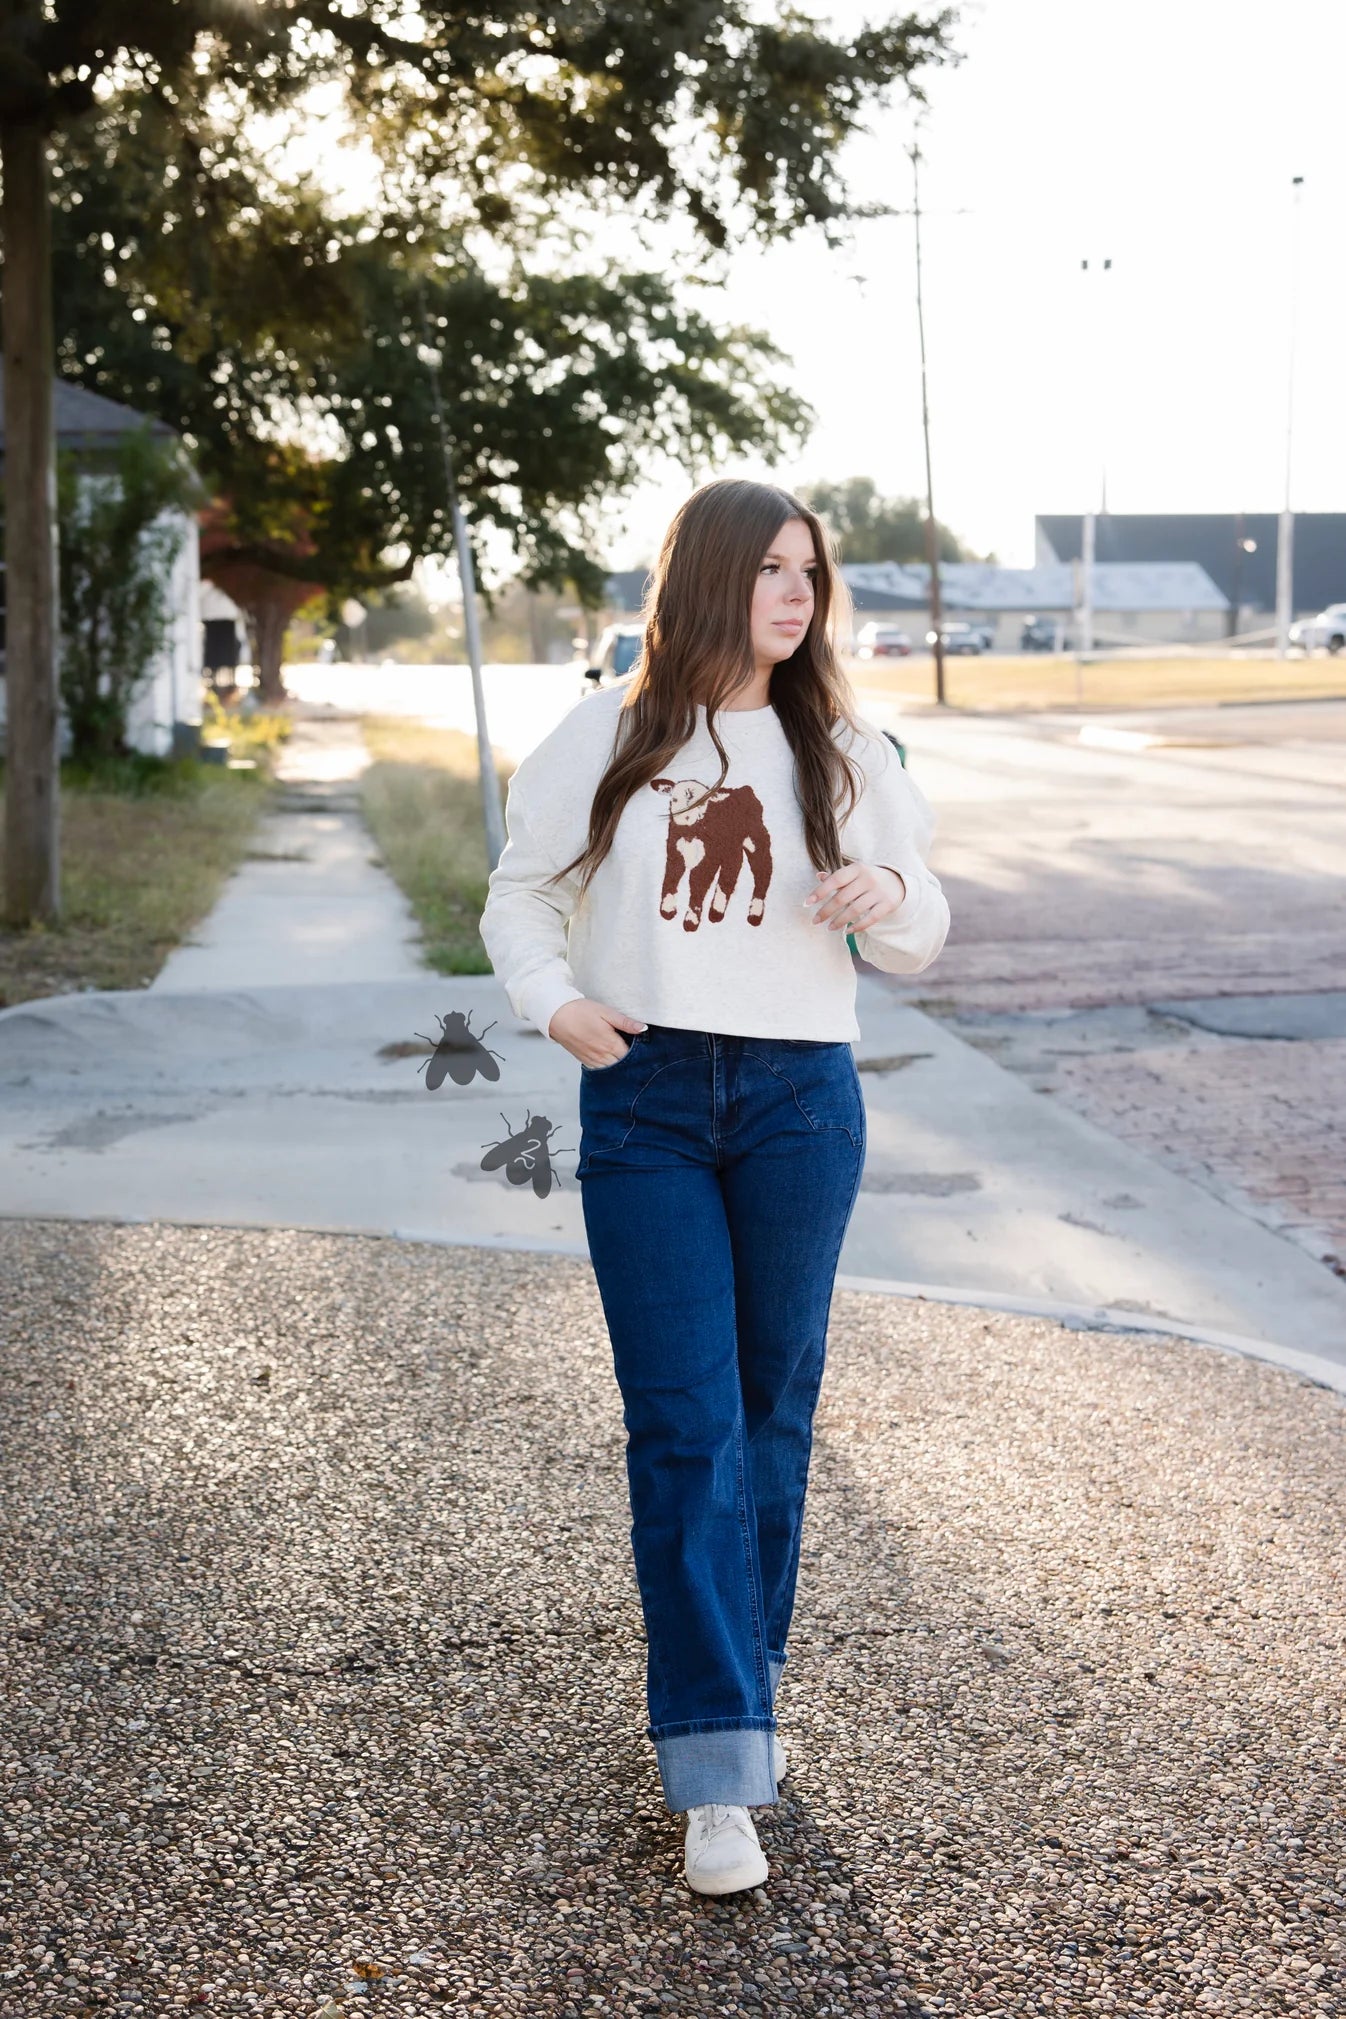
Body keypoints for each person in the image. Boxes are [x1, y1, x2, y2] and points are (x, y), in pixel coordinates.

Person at [478, 478, 950, 1896]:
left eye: (810, 572)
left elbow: (922, 922)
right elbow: (519, 892)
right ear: (704, 580)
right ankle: (718, 1769)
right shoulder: (606, 733)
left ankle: (738, 1695)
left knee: (769, 1411)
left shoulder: (846, 746)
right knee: (685, 1422)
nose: (796, 596)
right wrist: (556, 1004)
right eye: (768, 571)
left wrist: (887, 898)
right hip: (650, 1097)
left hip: (802, 1099)